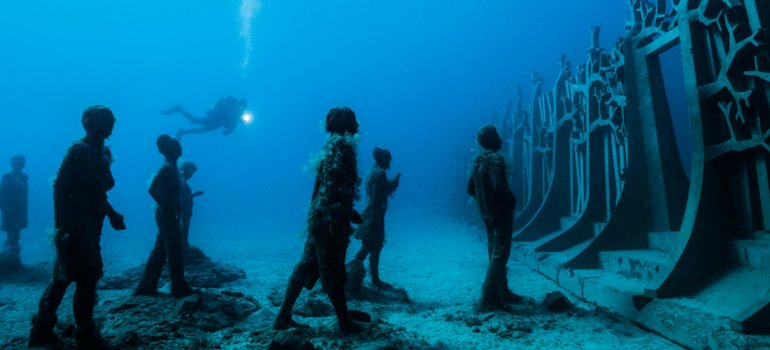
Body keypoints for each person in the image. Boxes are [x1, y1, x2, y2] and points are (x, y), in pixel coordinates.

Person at [29, 105, 126, 349]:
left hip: (92, 225)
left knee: (79, 276)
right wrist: (61, 231)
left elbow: (98, 194)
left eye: (111, 120)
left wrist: (112, 214)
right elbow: (60, 189)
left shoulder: (101, 152)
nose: (109, 124)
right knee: (73, 276)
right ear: (88, 124)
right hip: (75, 227)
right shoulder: (78, 151)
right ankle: (78, 334)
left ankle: (56, 330)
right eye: (104, 120)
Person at [273, 106, 365, 332]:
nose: (358, 125)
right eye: (353, 120)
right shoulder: (342, 145)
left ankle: (283, 317)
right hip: (329, 220)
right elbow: (333, 186)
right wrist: (338, 219)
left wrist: (347, 211)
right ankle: (345, 322)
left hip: (320, 217)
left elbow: (328, 186)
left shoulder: (330, 144)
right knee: (334, 269)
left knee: (306, 265)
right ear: (344, 122)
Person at [467, 125, 521, 311]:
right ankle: (489, 298)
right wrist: (509, 202)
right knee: (500, 253)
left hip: (486, 214)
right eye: (497, 135)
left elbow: (470, 188)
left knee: (494, 250)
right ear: (492, 139)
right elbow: (500, 188)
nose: (500, 138)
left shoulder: (478, 161)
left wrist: (485, 202)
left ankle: (502, 291)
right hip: (500, 214)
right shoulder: (496, 160)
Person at [134, 135, 195, 298]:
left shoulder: (171, 166)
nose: (181, 149)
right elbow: (152, 189)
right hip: (167, 216)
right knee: (175, 251)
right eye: (178, 146)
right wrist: (170, 209)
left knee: (160, 251)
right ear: (171, 149)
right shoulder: (167, 167)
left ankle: (147, 285)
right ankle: (178, 287)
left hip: (166, 216)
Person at [352, 147, 401, 288]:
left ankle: (373, 278)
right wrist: (394, 184)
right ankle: (351, 273)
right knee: (369, 245)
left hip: (371, 213)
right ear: (382, 159)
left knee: (375, 245)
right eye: (388, 159)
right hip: (374, 215)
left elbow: (376, 193)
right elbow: (378, 194)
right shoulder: (380, 173)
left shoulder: (372, 171)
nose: (390, 162)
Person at [158, 96, 247, 139]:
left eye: (242, 106)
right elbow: (225, 108)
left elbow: (232, 127)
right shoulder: (231, 102)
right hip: (215, 118)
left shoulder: (238, 115)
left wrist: (227, 132)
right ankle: (179, 109)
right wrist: (235, 117)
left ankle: (182, 131)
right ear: (239, 101)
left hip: (217, 124)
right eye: (240, 104)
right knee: (194, 121)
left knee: (200, 131)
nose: (240, 106)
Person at [0, 154, 29, 259]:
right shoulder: (8, 176)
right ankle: (8, 256)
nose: (23, 163)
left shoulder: (24, 177)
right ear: (14, 163)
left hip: (21, 210)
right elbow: (2, 195)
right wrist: (4, 209)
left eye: (24, 161)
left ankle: (10, 256)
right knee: (12, 234)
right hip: (10, 210)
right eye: (21, 161)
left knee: (16, 233)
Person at [179, 161, 207, 263]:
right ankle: (185, 258)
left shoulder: (181, 183)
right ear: (185, 170)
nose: (192, 174)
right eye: (191, 171)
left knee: (183, 235)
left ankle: (184, 256)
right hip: (182, 216)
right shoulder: (181, 183)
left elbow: (183, 199)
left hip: (184, 215)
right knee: (182, 236)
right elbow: (180, 200)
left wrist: (194, 195)